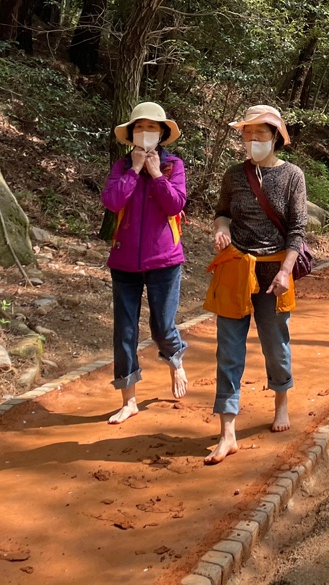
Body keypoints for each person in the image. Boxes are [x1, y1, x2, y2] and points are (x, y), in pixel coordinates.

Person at [204, 104, 307, 465]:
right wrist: (221, 229)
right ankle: (227, 431)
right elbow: (221, 212)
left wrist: (285, 271)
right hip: (235, 268)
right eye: (246, 135)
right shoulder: (234, 175)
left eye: (259, 135)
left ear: (276, 137)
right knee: (228, 351)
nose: (251, 141)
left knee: (276, 345)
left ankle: (280, 402)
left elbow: (297, 230)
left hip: (274, 272)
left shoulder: (293, 175)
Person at [101, 101, 189, 424]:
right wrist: (135, 170)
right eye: (140, 127)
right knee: (124, 332)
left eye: (152, 128)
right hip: (124, 261)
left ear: (162, 133)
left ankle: (176, 361)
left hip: (165, 260)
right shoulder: (121, 167)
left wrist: (154, 174)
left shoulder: (173, 166)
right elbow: (111, 201)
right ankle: (129, 399)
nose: (145, 133)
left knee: (162, 326)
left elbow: (176, 202)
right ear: (132, 133)